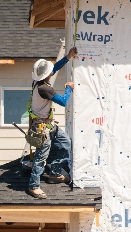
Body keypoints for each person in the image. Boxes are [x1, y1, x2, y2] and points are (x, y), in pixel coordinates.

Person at [27, 47, 77, 199]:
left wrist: (68, 57)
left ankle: (55, 173)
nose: (52, 71)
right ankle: (34, 186)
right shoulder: (44, 89)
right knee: (41, 156)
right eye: (50, 71)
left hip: (48, 124)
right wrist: (69, 88)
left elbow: (54, 68)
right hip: (42, 127)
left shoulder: (38, 81)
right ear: (47, 74)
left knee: (65, 143)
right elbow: (63, 101)